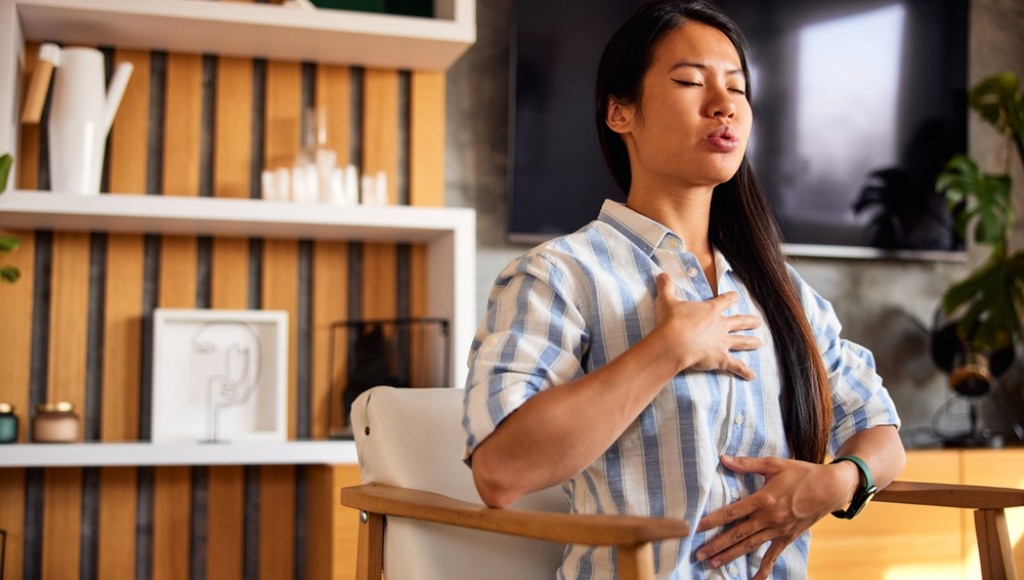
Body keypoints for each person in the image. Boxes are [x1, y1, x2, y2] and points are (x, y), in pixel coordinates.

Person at [462, 1, 906, 578]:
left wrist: (840, 481)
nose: (724, 104)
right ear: (620, 112)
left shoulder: (780, 291)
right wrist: (667, 349)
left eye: (738, 89)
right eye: (690, 81)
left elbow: (880, 429)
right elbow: (500, 471)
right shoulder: (559, 274)